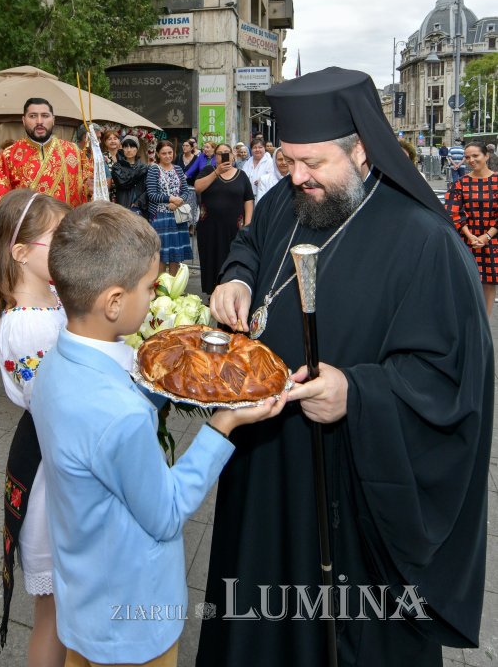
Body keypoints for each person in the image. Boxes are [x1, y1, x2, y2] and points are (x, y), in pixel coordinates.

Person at [196, 67, 493, 667]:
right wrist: (236, 275)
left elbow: (451, 382)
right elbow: (252, 242)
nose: (296, 177)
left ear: (361, 150)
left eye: (312, 162)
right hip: (263, 464)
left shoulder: (425, 242)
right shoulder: (293, 197)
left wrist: (358, 392)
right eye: (287, 161)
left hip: (350, 489)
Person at [31, 201, 287, 667]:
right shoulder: (119, 416)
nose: (154, 298)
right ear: (113, 301)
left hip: (85, 600)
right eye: (149, 288)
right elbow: (166, 511)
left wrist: (166, 383)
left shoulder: (55, 363)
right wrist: (223, 423)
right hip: (131, 621)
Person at [0, 189, 69, 667]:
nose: (69, 248)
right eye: (59, 239)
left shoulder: (52, 296)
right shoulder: (26, 325)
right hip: (53, 468)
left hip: (63, 455)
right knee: (53, 615)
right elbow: (55, 403)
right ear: (20, 252)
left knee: (68, 610)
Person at [0, 98, 89, 253]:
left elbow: (90, 196)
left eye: (45, 115)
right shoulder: (7, 157)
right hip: (27, 242)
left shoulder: (74, 152)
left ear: (53, 119)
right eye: (33, 116)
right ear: (23, 120)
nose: (40, 121)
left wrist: (93, 187)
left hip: (69, 239)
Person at [445, 141, 498, 316]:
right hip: (467, 240)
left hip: (492, 239)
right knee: (466, 280)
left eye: (475, 156)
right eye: (468, 157)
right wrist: (470, 235)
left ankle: (485, 325)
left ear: (486, 156)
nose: (471, 160)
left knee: (489, 283)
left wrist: (487, 236)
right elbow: (453, 211)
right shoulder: (460, 183)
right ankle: (470, 323)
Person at [194, 142, 254, 295]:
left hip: (234, 228)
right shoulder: (208, 170)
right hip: (209, 227)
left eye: (227, 152)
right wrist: (216, 173)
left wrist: (248, 225)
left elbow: (248, 200)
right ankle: (212, 292)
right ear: (215, 156)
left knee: (231, 259)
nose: (223, 156)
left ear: (233, 155)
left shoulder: (242, 175)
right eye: (220, 153)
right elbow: (198, 187)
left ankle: (229, 293)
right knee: (211, 259)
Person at [146, 140, 193, 275]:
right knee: (161, 255)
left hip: (177, 216)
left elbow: (185, 190)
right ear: (158, 154)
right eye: (164, 153)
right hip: (160, 216)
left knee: (176, 255)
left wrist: (178, 201)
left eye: (170, 153)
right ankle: (161, 289)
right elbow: (152, 194)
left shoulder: (178, 169)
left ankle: (173, 289)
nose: (167, 156)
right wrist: (170, 199)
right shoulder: (154, 169)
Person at [111, 135, 148, 217]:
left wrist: (138, 203)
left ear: (137, 149)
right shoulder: (117, 167)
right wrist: (139, 173)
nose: (129, 150)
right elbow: (123, 183)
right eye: (125, 147)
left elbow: (148, 189)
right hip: (123, 205)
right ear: (122, 149)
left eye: (132, 146)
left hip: (141, 207)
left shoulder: (144, 167)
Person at [175, 139, 199, 231]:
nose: (184, 147)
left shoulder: (196, 158)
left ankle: (191, 226)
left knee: (191, 206)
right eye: (183, 145)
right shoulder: (179, 157)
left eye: (187, 145)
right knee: (181, 206)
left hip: (191, 186)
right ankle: (182, 224)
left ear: (192, 147)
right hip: (179, 187)